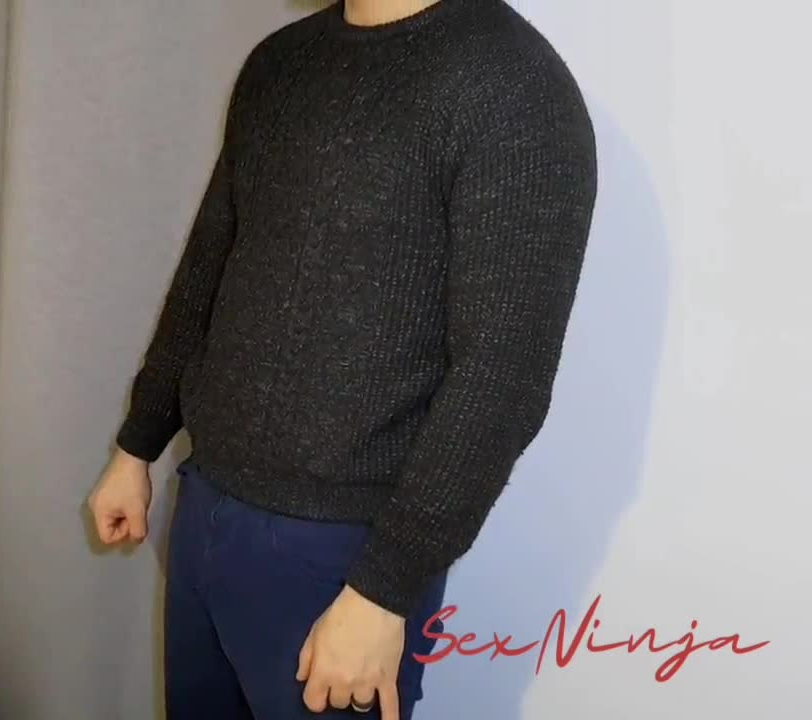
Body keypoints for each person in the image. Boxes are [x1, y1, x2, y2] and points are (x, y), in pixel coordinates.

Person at [88, 0, 598, 717]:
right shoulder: (279, 62)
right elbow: (210, 264)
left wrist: (384, 590)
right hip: (206, 505)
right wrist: (138, 443)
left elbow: (502, 380)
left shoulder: (513, 85)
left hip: (342, 558)